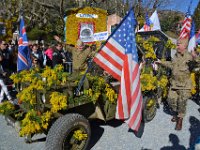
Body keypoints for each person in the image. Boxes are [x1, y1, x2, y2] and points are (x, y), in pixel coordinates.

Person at [156, 38, 194, 130]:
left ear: (184, 46)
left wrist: (196, 57)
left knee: (182, 102)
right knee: (171, 100)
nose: (177, 46)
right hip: (174, 84)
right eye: (177, 44)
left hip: (184, 85)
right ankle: (176, 113)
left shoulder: (189, 57)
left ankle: (180, 119)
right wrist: (161, 62)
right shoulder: (176, 56)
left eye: (179, 45)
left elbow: (196, 63)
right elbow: (172, 65)